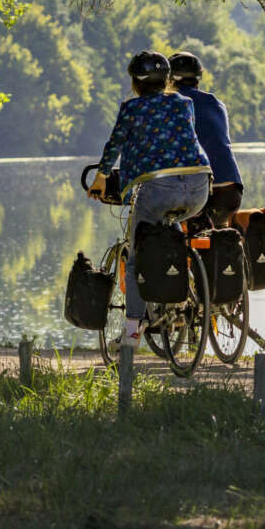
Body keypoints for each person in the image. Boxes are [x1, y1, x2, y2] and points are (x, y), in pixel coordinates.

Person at [87, 51, 211, 347]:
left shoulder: (132, 109)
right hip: (198, 186)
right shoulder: (186, 104)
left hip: (157, 190)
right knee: (174, 231)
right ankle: (182, 300)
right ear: (168, 80)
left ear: (135, 82)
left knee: (135, 257)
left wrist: (101, 178)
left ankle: (132, 330)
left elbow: (115, 144)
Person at [168, 51, 243, 227]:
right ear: (198, 78)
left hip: (197, 189)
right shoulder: (216, 104)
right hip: (231, 190)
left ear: (169, 79)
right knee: (216, 237)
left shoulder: (171, 104)